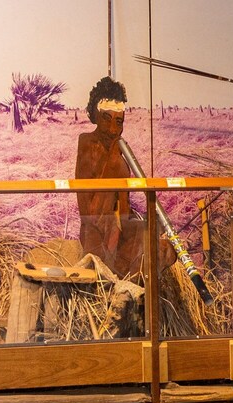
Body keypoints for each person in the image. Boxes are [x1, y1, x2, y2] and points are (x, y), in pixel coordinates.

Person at [76, 77, 144, 277]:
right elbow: (89, 210)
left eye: (119, 121)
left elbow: (124, 202)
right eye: (106, 118)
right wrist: (115, 156)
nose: (113, 128)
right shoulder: (87, 143)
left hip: (119, 228)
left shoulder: (119, 147)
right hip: (95, 232)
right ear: (95, 115)